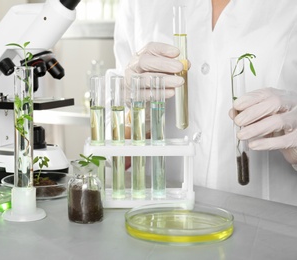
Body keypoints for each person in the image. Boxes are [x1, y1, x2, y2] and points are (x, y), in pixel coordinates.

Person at [110, 0, 297, 205]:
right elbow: (111, 150)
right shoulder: (139, 5)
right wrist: (132, 110)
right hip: (160, 213)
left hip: (271, 224)